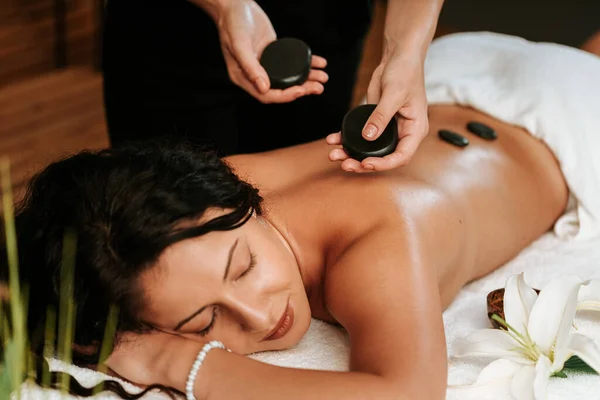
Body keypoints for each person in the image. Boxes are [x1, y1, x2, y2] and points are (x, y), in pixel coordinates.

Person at [4, 32, 600, 399]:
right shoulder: (218, 198)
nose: (260, 315)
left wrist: (181, 359)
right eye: (203, 320)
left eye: (243, 270)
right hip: (469, 89)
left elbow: (407, 395)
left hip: (571, 132)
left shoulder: (374, 248)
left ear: (244, 205)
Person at [102, 0, 444, 172]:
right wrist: (226, 6)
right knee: (174, 219)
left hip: (325, 26)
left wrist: (407, 52)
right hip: (170, 33)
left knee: (294, 205)